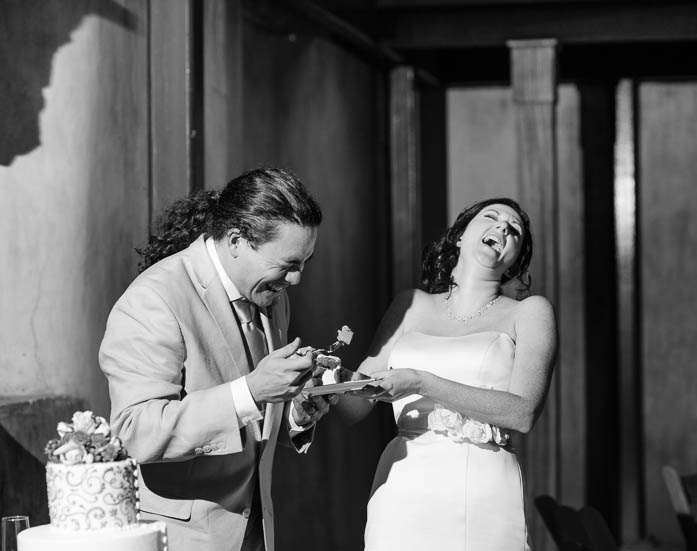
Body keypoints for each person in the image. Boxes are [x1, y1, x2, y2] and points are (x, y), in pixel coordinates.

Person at [99, 168, 334, 551]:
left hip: (257, 532)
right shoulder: (154, 299)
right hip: (182, 539)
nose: (296, 280)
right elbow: (135, 431)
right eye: (289, 264)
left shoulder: (271, 295)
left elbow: (253, 415)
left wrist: (295, 411)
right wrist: (252, 391)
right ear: (237, 240)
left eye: (304, 262)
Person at [338, 197, 557, 551]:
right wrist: (327, 378)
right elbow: (354, 406)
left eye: (513, 230)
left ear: (516, 260)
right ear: (459, 236)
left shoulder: (529, 313)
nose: (502, 228)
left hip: (481, 487)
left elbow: (522, 413)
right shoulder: (410, 304)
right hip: (403, 484)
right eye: (492, 217)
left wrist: (421, 382)